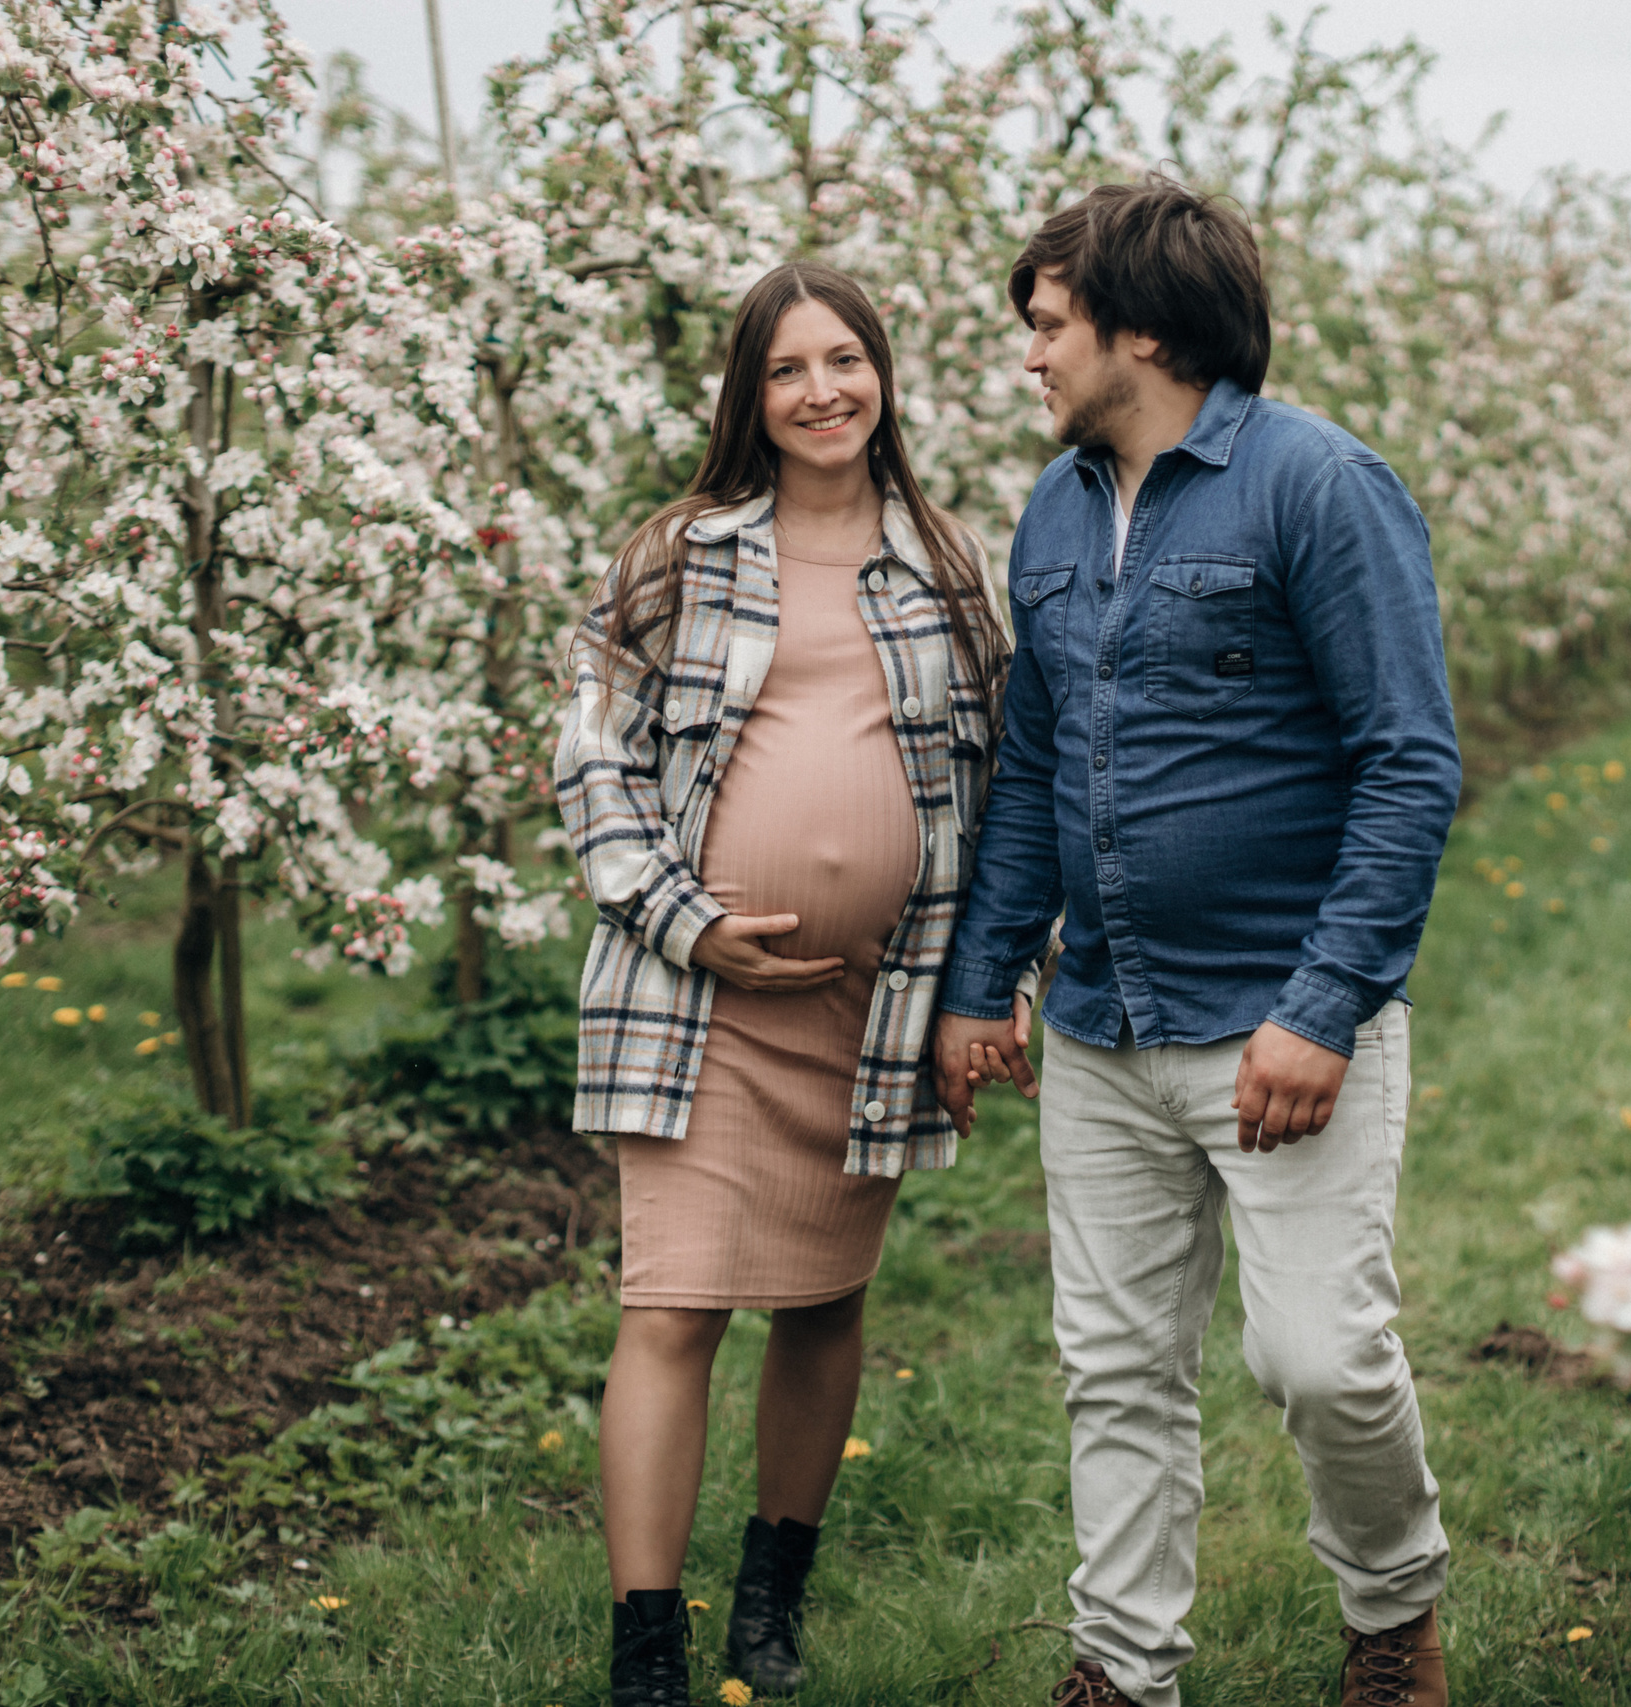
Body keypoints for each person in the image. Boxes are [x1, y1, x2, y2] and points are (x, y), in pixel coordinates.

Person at [933, 178, 1463, 1707]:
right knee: (1115, 1373)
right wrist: (985, 985)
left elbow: (1407, 758)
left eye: (1046, 327)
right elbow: (1033, 763)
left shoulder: (1317, 486)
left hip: (1280, 1022)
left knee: (1320, 1360)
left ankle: (1392, 1609)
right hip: (1101, 1024)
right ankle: (1124, 1667)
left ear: (1141, 327)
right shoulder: (1051, 507)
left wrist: (1323, 1007)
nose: (1029, 359)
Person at [556, 259, 1020, 1707]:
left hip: (871, 1000)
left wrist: (993, 985)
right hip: (692, 997)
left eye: (846, 360)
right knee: (673, 1306)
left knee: (826, 1298)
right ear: (749, 397)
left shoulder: (947, 562)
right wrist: (689, 921)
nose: (822, 391)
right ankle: (651, 1646)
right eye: (787, 369)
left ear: (883, 376)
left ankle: (773, 1595)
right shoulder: (678, 553)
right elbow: (591, 761)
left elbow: (1007, 780)